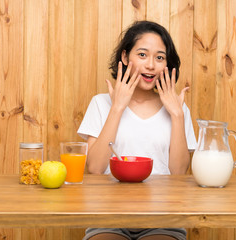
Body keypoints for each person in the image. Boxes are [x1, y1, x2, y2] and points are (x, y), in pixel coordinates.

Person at [77, 20, 197, 240]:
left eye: (159, 57)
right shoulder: (100, 103)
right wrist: (118, 107)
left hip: (163, 218)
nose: (151, 65)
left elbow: (179, 173)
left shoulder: (178, 108)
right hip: (107, 216)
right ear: (125, 57)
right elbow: (94, 168)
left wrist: (177, 115)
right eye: (142, 55)